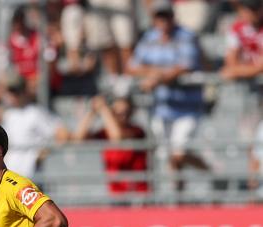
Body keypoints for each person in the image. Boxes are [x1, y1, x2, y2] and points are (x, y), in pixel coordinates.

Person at [128, 0, 208, 192]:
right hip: (161, 107)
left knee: (178, 153)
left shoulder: (186, 36)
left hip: (187, 106)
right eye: (159, 16)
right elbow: (132, 67)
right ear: (154, 19)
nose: (163, 21)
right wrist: (157, 73)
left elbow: (185, 65)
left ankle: (210, 171)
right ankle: (178, 193)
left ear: (173, 16)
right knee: (168, 155)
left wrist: (157, 78)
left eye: (166, 16)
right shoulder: (149, 37)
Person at [72, 94, 149, 197]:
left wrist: (104, 110)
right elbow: (78, 138)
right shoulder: (104, 133)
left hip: (138, 194)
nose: (123, 116)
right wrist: (92, 111)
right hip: (115, 194)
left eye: (126, 113)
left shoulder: (137, 131)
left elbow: (117, 138)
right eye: (117, 113)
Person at [220, 0, 263, 82]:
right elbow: (231, 61)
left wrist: (237, 71)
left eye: (255, 9)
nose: (252, 13)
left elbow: (261, 66)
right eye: (248, 9)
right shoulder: (237, 28)